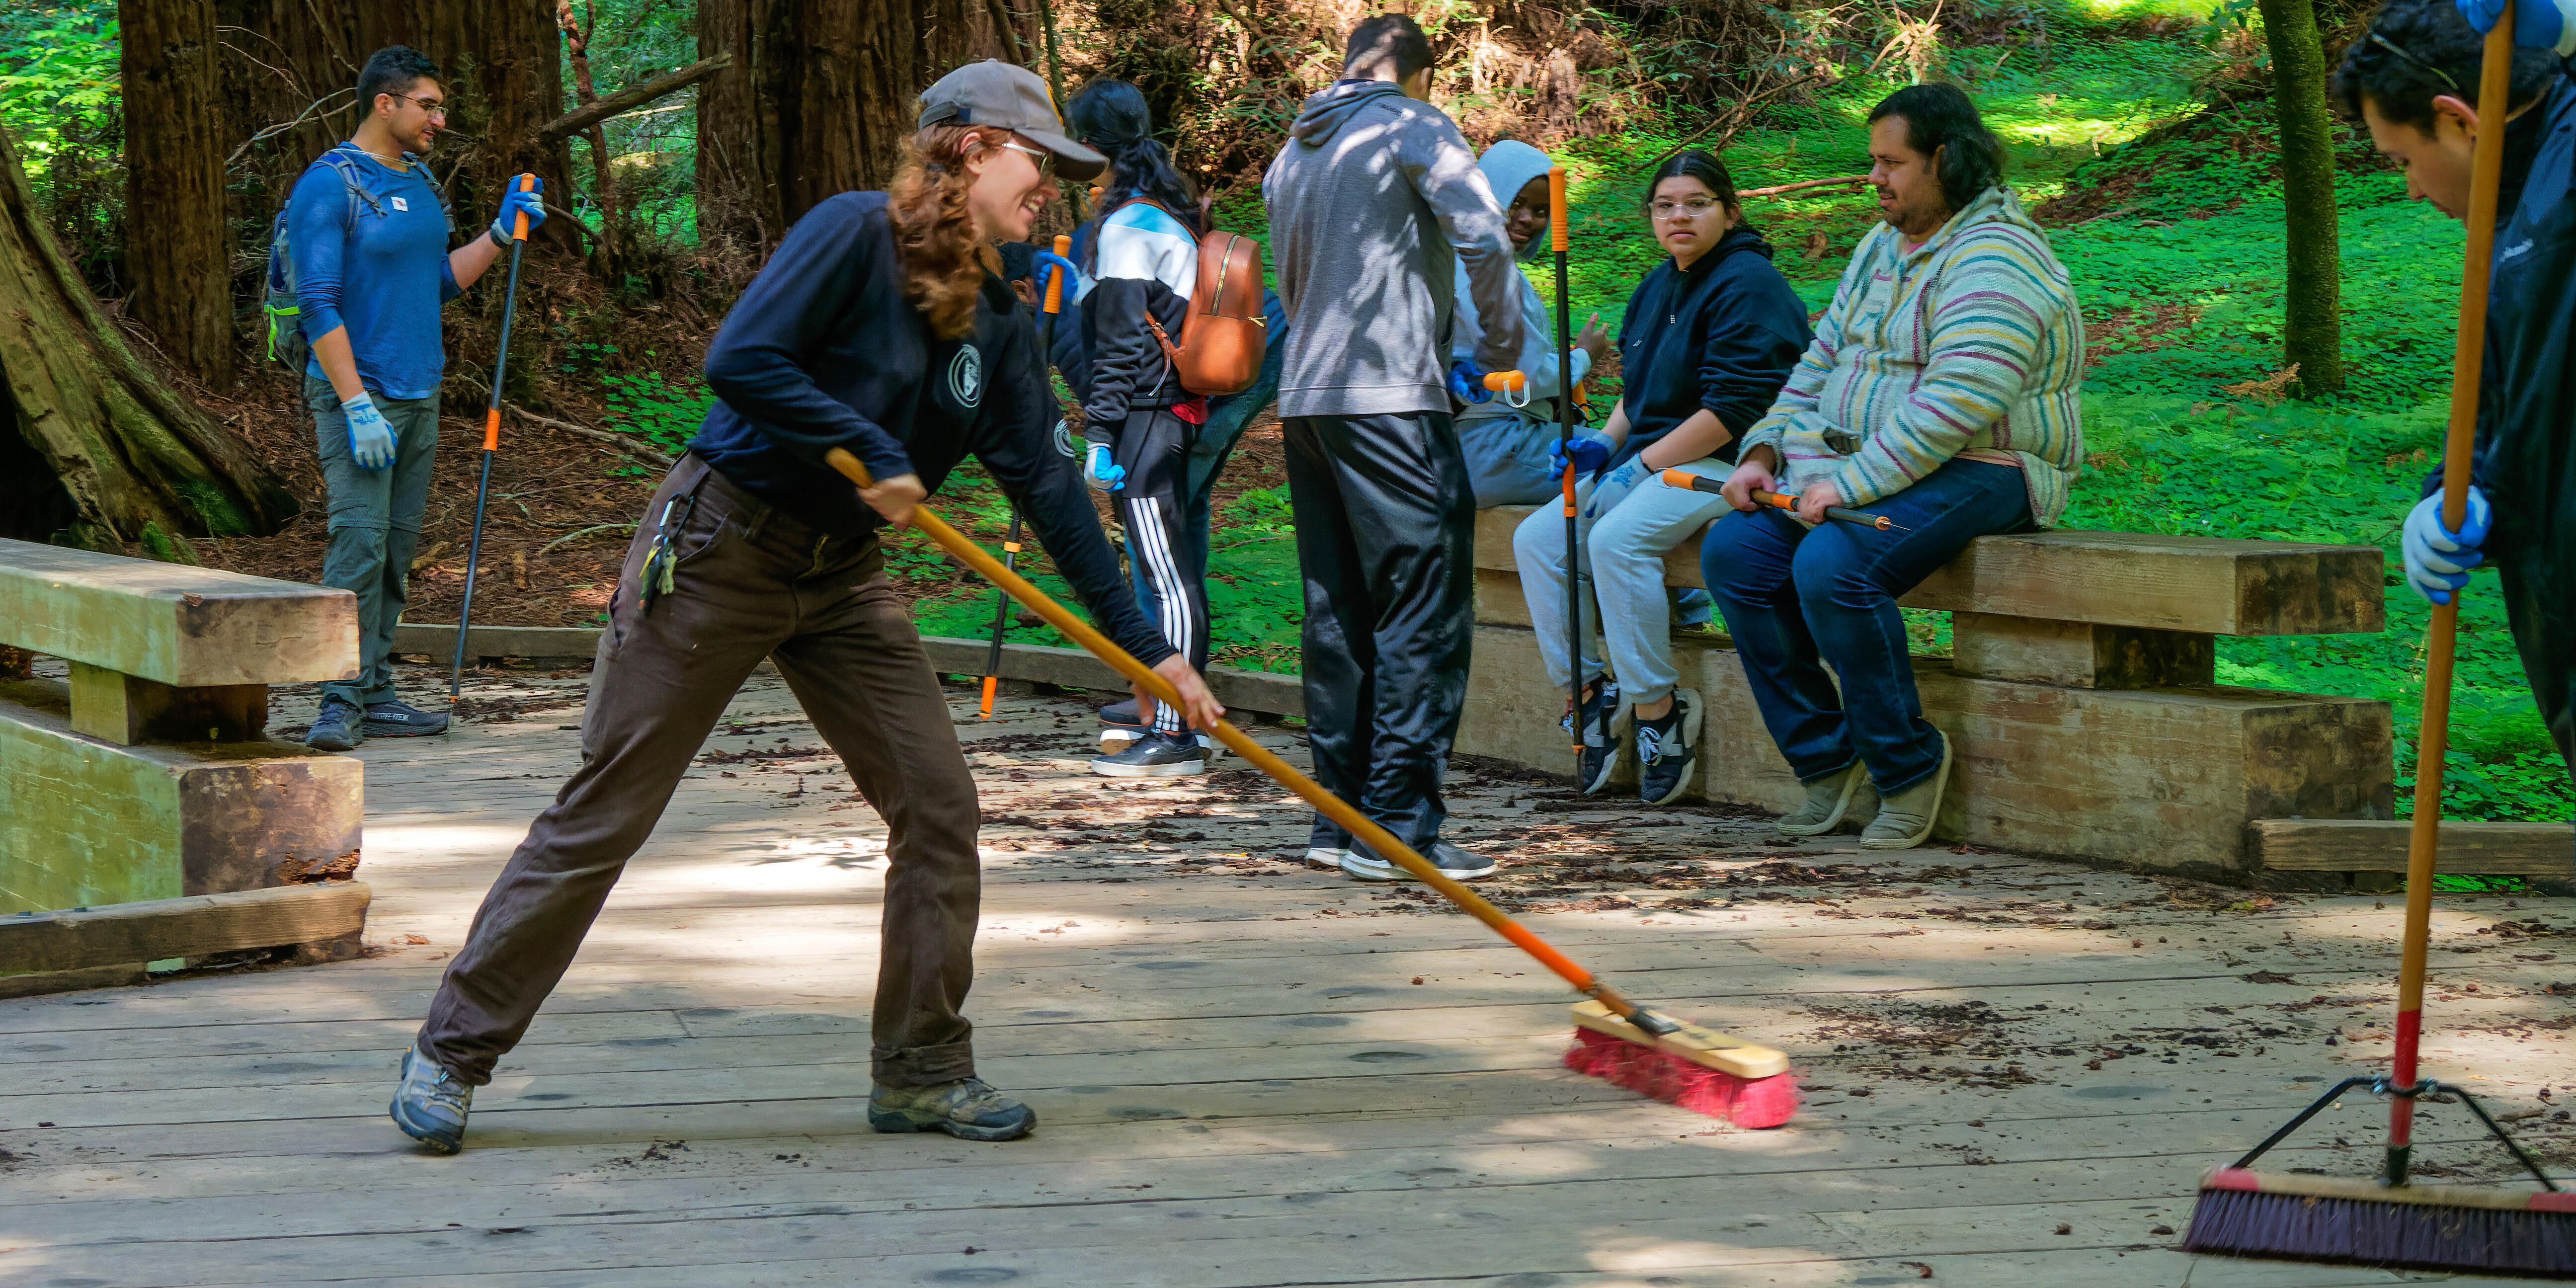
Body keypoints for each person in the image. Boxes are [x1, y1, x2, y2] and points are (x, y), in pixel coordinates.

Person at [388, 61, 1221, 1155]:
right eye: (1038, 164)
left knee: (939, 806)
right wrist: (873, 450)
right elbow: (740, 361)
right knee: (610, 808)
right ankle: (452, 1052)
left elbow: (1055, 495)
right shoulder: (850, 234)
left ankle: (922, 1069)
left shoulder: (1004, 319)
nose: (1051, 190)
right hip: (723, 545)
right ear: (969, 148)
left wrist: (1151, 650)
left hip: (841, 580)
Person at [1700, 83, 2084, 850]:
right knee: (1734, 551)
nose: (1873, 177)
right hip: (1873, 466)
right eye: (1872, 160)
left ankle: (1907, 766)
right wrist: (1764, 451)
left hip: (1992, 465)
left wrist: (1846, 485)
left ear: (1945, 159)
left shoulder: (1998, 255)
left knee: (1835, 563)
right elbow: (1820, 360)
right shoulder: (1882, 243)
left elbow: (1959, 401)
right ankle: (1827, 761)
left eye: (1891, 162)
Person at [1264, 13, 1528, 883]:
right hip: (1390, 402)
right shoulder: (1414, 125)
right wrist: (1496, 350)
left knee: (1336, 612)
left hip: (1307, 403)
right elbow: (1485, 235)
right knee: (1420, 606)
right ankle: (1403, 827)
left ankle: (1337, 820)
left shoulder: (1292, 152)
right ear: (1423, 75)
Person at [1511, 150, 1810, 805]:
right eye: (1666, 205)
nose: (1679, 216)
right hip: (1655, 460)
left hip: (1726, 461)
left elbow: (1736, 410)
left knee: (1615, 541)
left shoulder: (1748, 284)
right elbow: (1637, 395)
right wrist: (1602, 444)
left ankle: (1656, 710)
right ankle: (1589, 694)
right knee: (1536, 539)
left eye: (1697, 203)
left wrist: (1642, 466)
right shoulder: (1656, 286)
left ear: (1729, 212)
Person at [2347, 0, 2576, 829]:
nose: (2406, 188)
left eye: (2400, 158)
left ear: (2455, 119)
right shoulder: (2513, 224)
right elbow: (2513, 408)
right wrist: (2451, 493)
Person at [289, 46, 548, 752]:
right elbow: (317, 304)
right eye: (428, 105)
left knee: (397, 551)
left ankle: (375, 691)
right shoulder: (329, 185)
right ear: (386, 104)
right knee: (358, 547)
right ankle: (338, 700)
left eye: (439, 107)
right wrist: (354, 405)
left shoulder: (420, 180)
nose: (439, 118)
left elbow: (435, 280)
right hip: (361, 397)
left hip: (418, 392)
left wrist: (498, 235)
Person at [1060, 78, 1223, 778]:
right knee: (1167, 564)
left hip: (1147, 419)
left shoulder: (1129, 229)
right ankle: (1162, 702)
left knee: (1167, 571)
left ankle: (1176, 731)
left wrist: (1099, 435)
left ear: (1092, 148)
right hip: (1161, 413)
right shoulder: (1162, 213)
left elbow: (1125, 346)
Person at [1448, 140, 1613, 507]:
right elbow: (1526, 375)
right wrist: (1584, 357)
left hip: (1490, 441)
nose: (1528, 219)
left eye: (1541, 210)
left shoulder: (1468, 260)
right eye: (1516, 202)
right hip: (1495, 444)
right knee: (1626, 467)